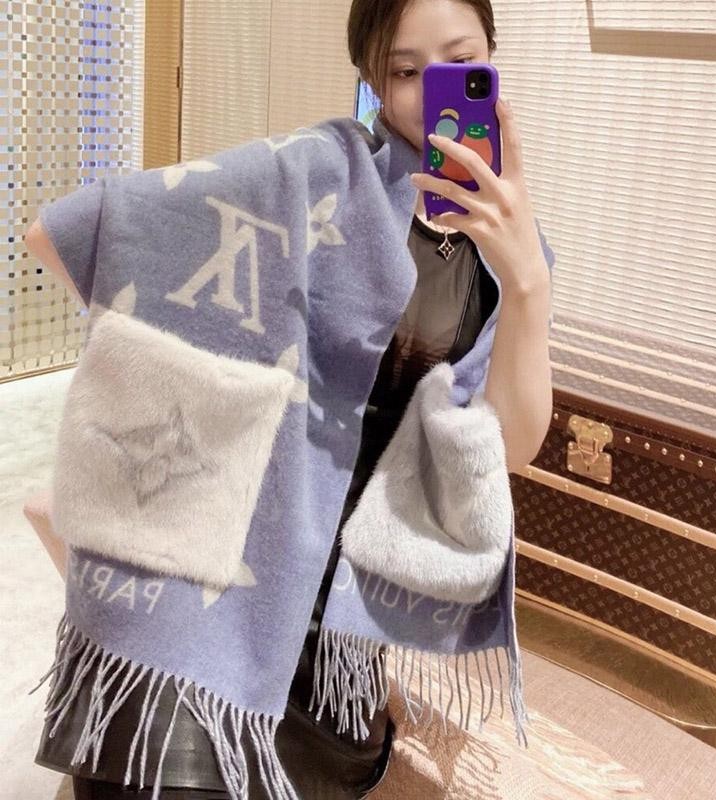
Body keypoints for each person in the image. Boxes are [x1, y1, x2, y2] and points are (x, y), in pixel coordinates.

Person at [28, 0, 554, 797]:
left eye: (460, 63)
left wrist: (527, 279)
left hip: (343, 627)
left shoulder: (510, 243)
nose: (433, 92)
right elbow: (69, 233)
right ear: (372, 77)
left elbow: (506, 446)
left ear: (491, 57)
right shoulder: (313, 174)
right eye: (405, 70)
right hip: (227, 568)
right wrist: (201, 378)